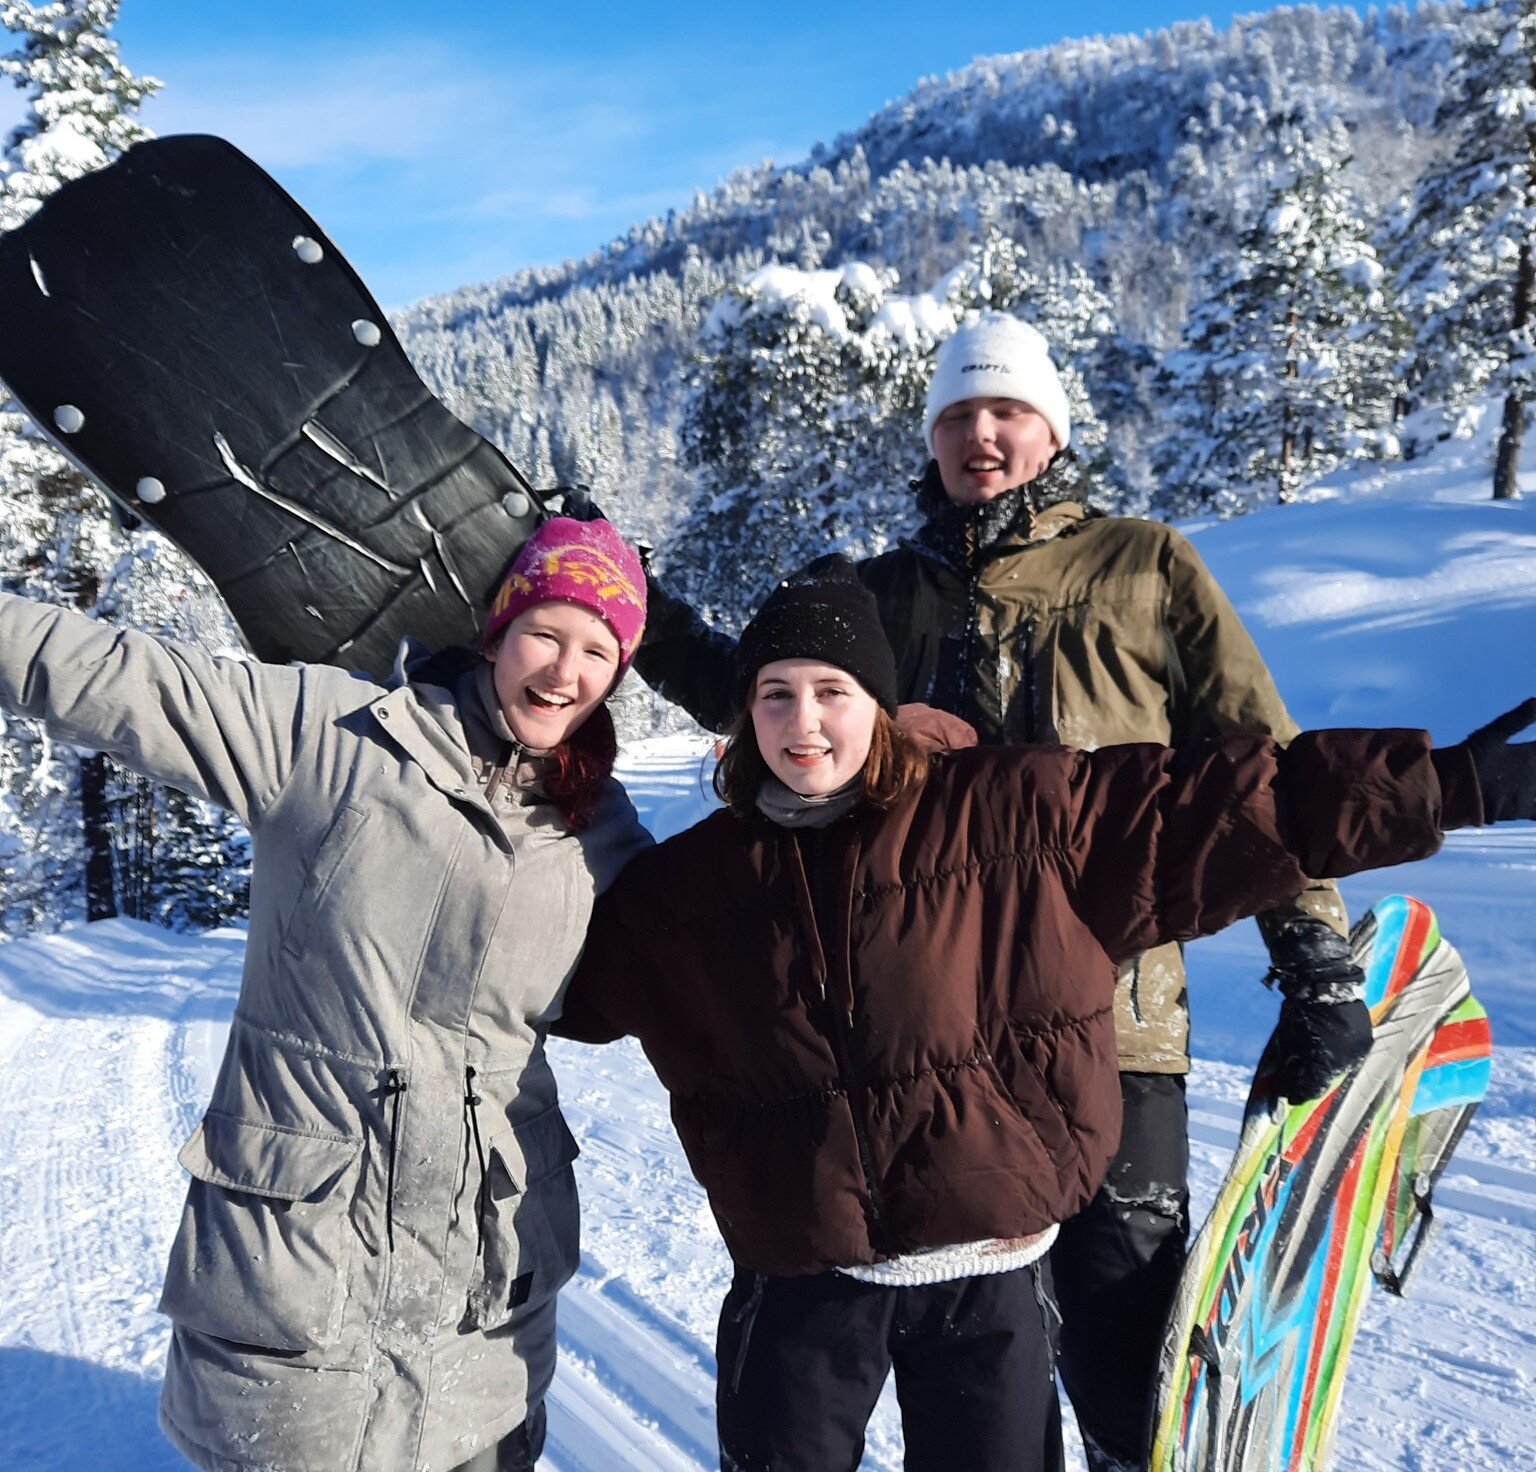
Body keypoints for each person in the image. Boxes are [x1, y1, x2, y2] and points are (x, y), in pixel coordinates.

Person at [558, 555, 1534, 1472]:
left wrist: (1451, 786)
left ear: (881, 706)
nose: (803, 722)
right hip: (801, 1287)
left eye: (831, 692)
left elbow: (1224, 807)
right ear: (744, 714)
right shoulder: (695, 885)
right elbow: (560, 981)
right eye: (776, 693)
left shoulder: (1014, 816)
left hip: (989, 1279)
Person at [631, 312, 1364, 1469]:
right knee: (922, 1349)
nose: (982, 434)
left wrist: (1313, 956)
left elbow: (1251, 765)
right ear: (930, 436)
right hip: (918, 1043)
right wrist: (639, 610)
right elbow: (770, 701)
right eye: (959, 414)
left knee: (1121, 1330)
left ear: (1051, 430)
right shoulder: (876, 594)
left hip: (1114, 1017)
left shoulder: (1143, 565)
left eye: (1007, 410)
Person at [0, 517, 652, 1472]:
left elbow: (735, 959)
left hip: (486, 1319)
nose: (565, 672)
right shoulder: (329, 736)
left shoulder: (600, 837)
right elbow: (118, 677)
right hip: (301, 1293)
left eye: (600, 650)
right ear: (496, 629)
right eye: (548, 632)